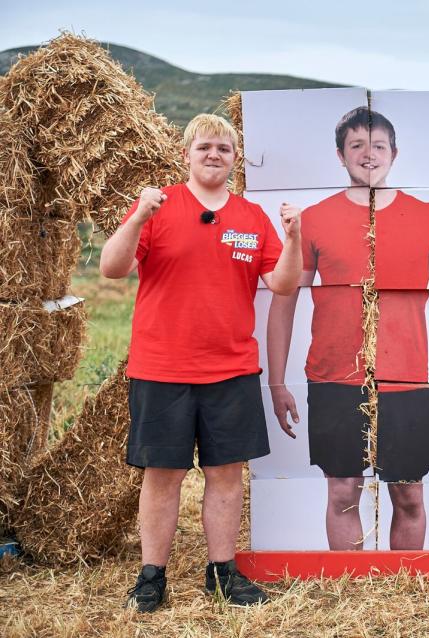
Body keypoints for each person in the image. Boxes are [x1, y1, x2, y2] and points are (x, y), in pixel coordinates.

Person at [99, 114, 302, 611]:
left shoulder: (252, 218)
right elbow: (111, 268)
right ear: (187, 154)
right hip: (162, 369)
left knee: (226, 473)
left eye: (224, 149)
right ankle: (152, 575)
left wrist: (294, 237)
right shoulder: (159, 207)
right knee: (163, 474)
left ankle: (222, 571)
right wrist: (138, 217)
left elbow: (283, 283)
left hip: (231, 370)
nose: (214, 155)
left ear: (236, 159)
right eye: (205, 147)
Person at [267, 106, 429, 551]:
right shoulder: (315, 220)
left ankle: (402, 597)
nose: (368, 154)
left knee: (409, 495)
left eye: (378, 145)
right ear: (340, 155)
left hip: (407, 379)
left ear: (394, 153)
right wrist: (277, 380)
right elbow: (284, 301)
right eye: (356, 145)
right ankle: (352, 596)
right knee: (342, 493)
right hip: (333, 377)